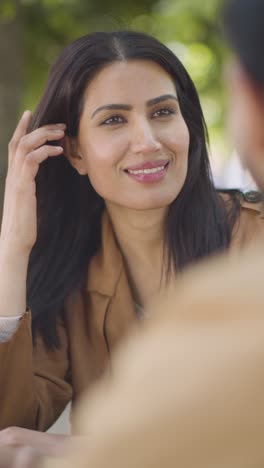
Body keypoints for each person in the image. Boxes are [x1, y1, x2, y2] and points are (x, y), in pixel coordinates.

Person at [27, 1, 264, 467]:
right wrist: (13, 249)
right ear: (74, 152)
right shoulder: (70, 270)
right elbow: (16, 417)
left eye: (162, 112)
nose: (148, 141)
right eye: (114, 120)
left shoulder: (253, 244)